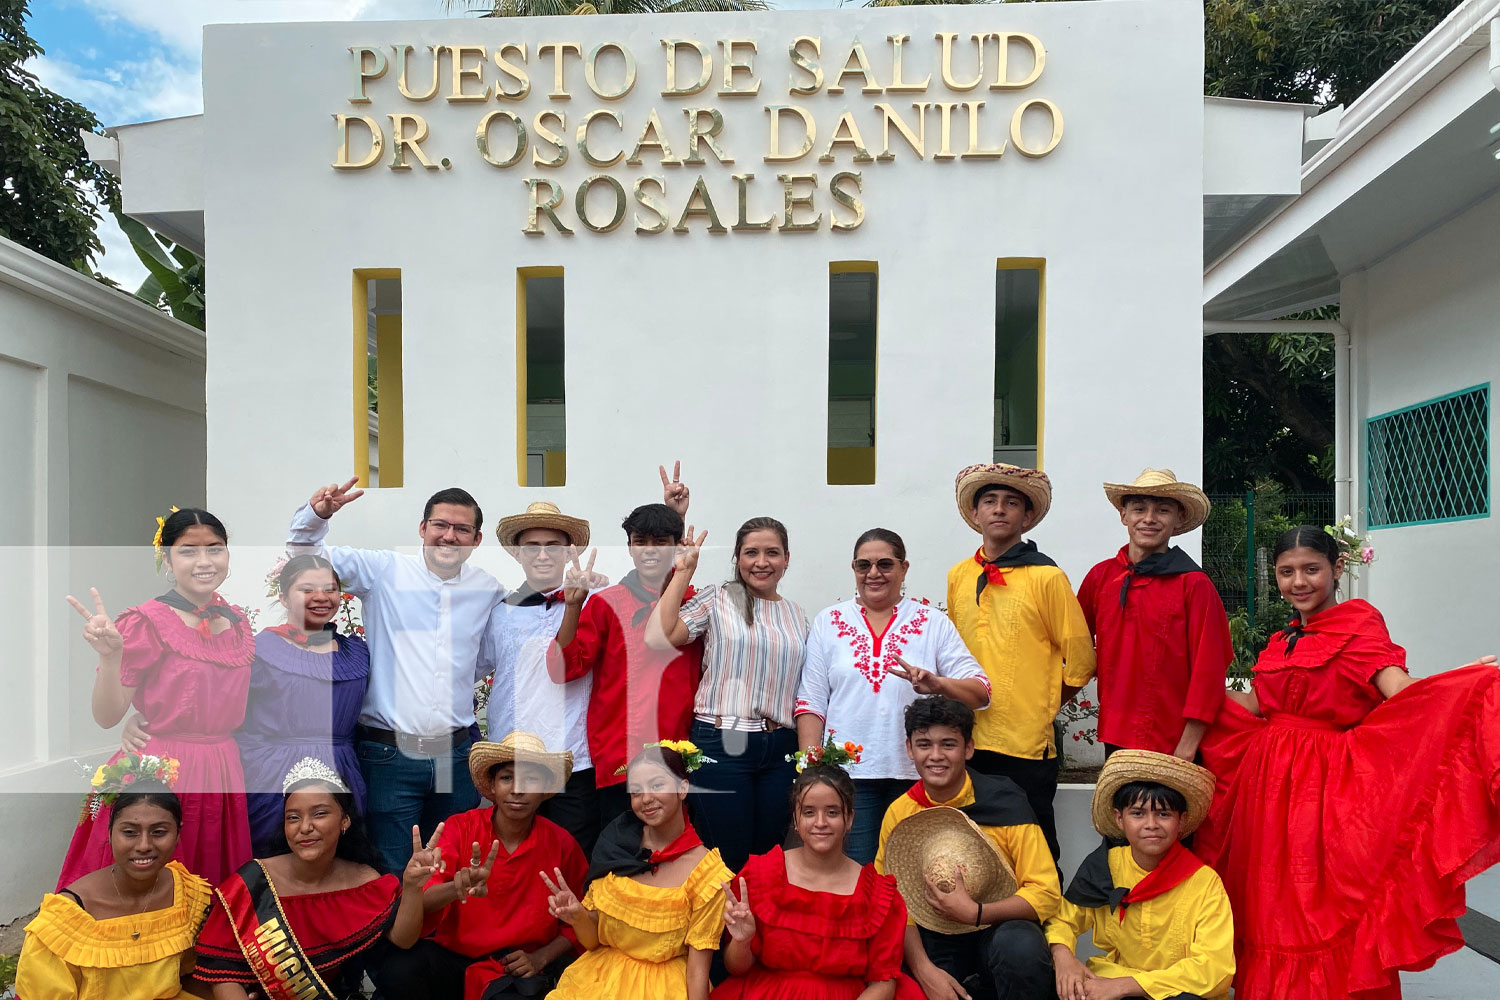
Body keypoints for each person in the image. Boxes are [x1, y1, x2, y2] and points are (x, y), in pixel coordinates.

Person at [1196, 525, 1500, 1000]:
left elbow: (1401, 693)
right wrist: (1194, 701)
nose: (1299, 582)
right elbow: (1256, 705)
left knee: (1317, 903)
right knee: (1265, 903)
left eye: (1311, 569)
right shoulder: (1282, 640)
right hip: (1264, 790)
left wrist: (1461, 682)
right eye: (1286, 572)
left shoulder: (1358, 625)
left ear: (1338, 570)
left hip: (1323, 789)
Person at [287, 479, 505, 875]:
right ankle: (398, 938)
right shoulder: (383, 571)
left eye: (461, 529)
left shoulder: (486, 589)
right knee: (393, 865)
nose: (449, 536)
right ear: (422, 529)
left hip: (451, 758)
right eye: (440, 525)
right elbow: (305, 558)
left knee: (449, 861)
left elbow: (482, 658)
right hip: (390, 757)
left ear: (476, 540)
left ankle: (442, 938)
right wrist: (317, 516)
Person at [59, 506, 256, 889]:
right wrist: (110, 656)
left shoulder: (236, 622)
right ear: (167, 558)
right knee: (152, 886)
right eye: (188, 550)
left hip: (222, 767)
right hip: (165, 771)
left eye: (215, 548)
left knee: (209, 889)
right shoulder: (147, 621)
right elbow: (107, 714)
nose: (204, 561)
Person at [795, 528, 990, 864]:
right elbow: (811, 701)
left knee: (913, 870)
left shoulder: (931, 623)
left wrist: (938, 684)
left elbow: (980, 691)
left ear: (904, 568)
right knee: (857, 870)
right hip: (848, 775)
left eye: (885, 564)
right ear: (853, 569)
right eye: (863, 565)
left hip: (918, 774)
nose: (873, 573)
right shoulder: (829, 622)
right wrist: (812, 771)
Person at [946, 463, 1095, 859]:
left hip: (1024, 742)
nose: (999, 510)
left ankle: (1043, 919)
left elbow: (1080, 659)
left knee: (1035, 845)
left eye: (1011, 503)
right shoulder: (959, 576)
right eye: (990, 501)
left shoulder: (1047, 577)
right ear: (975, 514)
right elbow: (950, 651)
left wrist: (1044, 707)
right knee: (974, 846)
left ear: (1027, 517)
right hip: (968, 735)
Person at [194, 757, 431, 998]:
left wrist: (412, 885)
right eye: (293, 817)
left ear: (345, 821)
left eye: (319, 814)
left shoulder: (364, 880)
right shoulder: (253, 882)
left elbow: (403, 939)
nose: (305, 827)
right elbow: (222, 972)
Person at [551, 465, 699, 850]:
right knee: (620, 858)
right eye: (641, 540)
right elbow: (563, 669)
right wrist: (572, 607)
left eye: (661, 541)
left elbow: (680, 567)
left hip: (678, 756)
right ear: (630, 546)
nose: (650, 549)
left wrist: (677, 519)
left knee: (675, 857)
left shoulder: (692, 603)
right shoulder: (605, 604)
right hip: (620, 757)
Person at [377, 732, 589, 1000]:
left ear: (545, 789)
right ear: (492, 785)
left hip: (518, 966)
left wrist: (539, 958)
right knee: (399, 970)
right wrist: (457, 887)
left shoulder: (562, 843)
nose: (517, 789)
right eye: (506, 778)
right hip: (455, 959)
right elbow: (425, 901)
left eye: (530, 780)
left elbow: (580, 920)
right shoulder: (460, 828)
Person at [651, 517, 810, 872]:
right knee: (726, 857)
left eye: (772, 553)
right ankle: (722, 929)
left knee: (768, 856)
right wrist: (683, 573)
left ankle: (757, 927)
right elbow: (664, 635)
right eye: (751, 552)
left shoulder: (797, 615)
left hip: (779, 746)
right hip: (722, 743)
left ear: (786, 558)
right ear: (738, 559)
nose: (761, 562)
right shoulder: (717, 598)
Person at [876, 696, 1059, 1000]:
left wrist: (976, 913)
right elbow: (894, 903)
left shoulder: (1006, 802)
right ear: (909, 749)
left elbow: (1045, 892)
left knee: (1021, 949)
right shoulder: (900, 812)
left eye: (948, 744)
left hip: (999, 927)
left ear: (969, 748)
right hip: (933, 936)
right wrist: (924, 970)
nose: (936, 755)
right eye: (924, 744)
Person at [712, 759, 924, 1000]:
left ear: (850, 819)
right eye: (809, 812)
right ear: (796, 819)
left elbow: (883, 983)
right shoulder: (758, 876)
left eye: (832, 812)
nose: (820, 823)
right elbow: (737, 968)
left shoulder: (877, 895)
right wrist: (743, 940)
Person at [541, 744, 732, 1000]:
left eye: (657, 785)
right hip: (599, 981)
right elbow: (593, 942)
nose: (646, 798)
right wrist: (578, 916)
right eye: (636, 791)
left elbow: (698, 972)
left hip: (664, 990)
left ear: (683, 788)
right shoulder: (617, 843)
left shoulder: (707, 874)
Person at [1047, 750, 1234, 1000]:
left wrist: (1127, 985)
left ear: (1182, 820)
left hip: (1173, 991)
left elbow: (1215, 969)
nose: (1151, 824)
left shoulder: (1204, 882)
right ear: (1119, 818)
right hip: (1112, 980)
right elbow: (1063, 919)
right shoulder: (1105, 866)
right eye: (1138, 813)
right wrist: (1063, 956)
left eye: (1164, 814)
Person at [1076, 470, 1232, 759]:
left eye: (1162, 510)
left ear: (1179, 519)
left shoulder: (1194, 584)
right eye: (1139, 509)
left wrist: (1188, 745)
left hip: (1173, 740)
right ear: (1124, 515)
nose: (1149, 518)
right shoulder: (1101, 577)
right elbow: (1073, 647)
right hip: (1114, 733)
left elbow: (1209, 671)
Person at [17, 773, 213, 999]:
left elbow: (190, 976)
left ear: (178, 833)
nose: (144, 845)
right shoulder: (67, 920)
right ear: (109, 833)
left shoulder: (186, 894)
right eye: (129, 832)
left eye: (159, 832)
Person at [480, 501, 602, 854]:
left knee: (573, 856)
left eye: (553, 546)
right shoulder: (498, 612)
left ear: (569, 552)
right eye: (532, 546)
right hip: (514, 754)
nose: (543, 555)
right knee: (512, 854)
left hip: (573, 755)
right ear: (518, 553)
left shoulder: (595, 603)